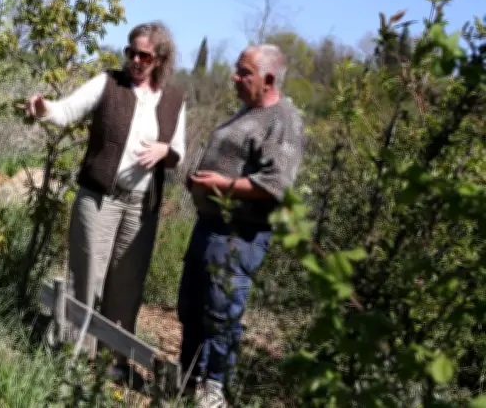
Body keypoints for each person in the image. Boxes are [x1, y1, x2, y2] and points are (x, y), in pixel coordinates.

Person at [25, 21, 186, 381]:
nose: (136, 60)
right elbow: (67, 110)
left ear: (160, 58)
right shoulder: (109, 83)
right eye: (132, 52)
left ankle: (114, 363)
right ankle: (73, 355)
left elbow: (179, 150)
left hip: (141, 206)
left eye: (144, 55)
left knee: (126, 284)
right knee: (88, 278)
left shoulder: (174, 98)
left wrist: (165, 150)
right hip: (99, 198)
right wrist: (43, 109)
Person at [179, 44, 305, 408]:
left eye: (243, 72)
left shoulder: (284, 120)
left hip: (239, 236)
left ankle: (213, 388)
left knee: (221, 312)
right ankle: (187, 378)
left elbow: (275, 185)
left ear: (267, 80)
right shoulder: (248, 110)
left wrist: (218, 185)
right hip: (209, 226)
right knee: (192, 305)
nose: (234, 77)